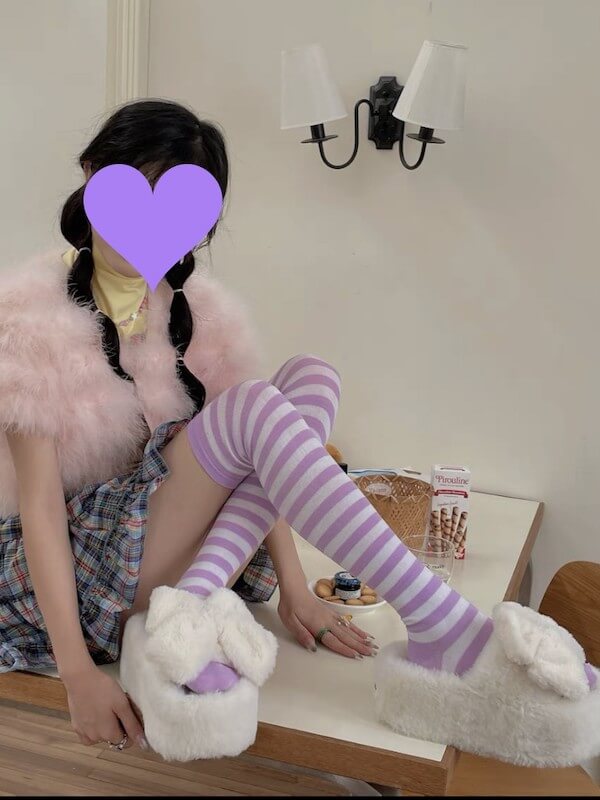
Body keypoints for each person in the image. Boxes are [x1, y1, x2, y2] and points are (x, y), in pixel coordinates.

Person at [1, 100, 597, 766]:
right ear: (91, 176)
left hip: (162, 546)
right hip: (81, 572)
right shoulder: (29, 317)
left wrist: (293, 587)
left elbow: (262, 453)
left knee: (311, 377)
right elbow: (40, 511)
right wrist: (78, 674)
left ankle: (191, 605)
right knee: (256, 406)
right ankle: (443, 625)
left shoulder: (193, 310)